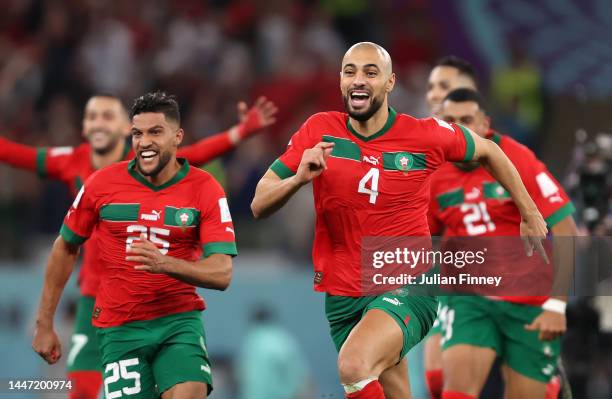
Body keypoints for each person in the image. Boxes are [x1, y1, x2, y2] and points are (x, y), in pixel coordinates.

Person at [250, 42, 549, 399]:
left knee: (353, 365)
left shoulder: (423, 134)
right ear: (340, 80)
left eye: (370, 73)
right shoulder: (319, 130)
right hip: (343, 292)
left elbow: (488, 150)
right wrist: (297, 179)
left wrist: (528, 212)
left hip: (407, 281)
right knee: (390, 389)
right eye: (350, 72)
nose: (358, 80)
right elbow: (259, 203)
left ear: (390, 82)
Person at [1, 93, 275, 398]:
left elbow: (222, 273)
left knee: (190, 391)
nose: (144, 142)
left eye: (155, 132)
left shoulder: (205, 189)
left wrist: (164, 263)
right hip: (120, 328)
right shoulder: (100, 183)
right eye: (137, 133)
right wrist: (44, 322)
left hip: (178, 322)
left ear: (177, 137)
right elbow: (65, 246)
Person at [429, 88, 577, 399]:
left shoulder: (517, 157)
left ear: (485, 124)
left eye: (467, 120)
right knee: (447, 387)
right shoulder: (434, 172)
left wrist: (556, 305)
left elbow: (565, 226)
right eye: (450, 122)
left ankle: (551, 385)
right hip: (469, 298)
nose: (459, 130)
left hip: (528, 301)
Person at [422, 56, 479, 399]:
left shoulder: (503, 154)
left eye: (443, 86)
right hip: (451, 287)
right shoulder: (428, 155)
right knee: (436, 381)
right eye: (430, 87)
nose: (433, 95)